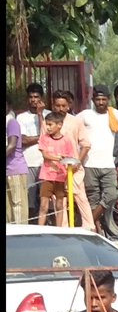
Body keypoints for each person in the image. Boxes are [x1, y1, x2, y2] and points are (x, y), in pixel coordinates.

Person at [78, 85, 118, 233]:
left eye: (104, 99)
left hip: (108, 164)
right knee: (93, 198)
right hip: (89, 164)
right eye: (98, 99)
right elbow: (71, 126)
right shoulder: (85, 115)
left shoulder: (114, 114)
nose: (101, 102)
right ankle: (96, 229)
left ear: (108, 99)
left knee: (111, 195)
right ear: (93, 100)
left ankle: (89, 224)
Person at [51, 90, 95, 232]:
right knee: (59, 199)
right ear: (53, 105)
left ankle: (89, 228)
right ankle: (63, 230)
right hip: (55, 168)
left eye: (64, 106)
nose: (61, 109)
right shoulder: (49, 121)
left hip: (74, 167)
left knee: (80, 197)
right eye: (58, 105)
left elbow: (86, 145)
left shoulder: (76, 122)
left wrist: (77, 162)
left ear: (69, 105)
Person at [18, 84, 49, 223]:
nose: (33, 100)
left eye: (36, 97)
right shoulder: (21, 117)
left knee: (46, 201)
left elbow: (50, 137)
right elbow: (23, 140)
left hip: (46, 163)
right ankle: (30, 226)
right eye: (30, 97)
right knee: (29, 201)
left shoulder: (48, 115)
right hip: (28, 162)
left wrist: (40, 114)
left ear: (41, 98)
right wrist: (42, 137)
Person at [36, 112, 74, 227]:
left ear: (59, 125)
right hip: (47, 176)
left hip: (60, 177)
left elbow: (70, 158)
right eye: (46, 124)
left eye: (50, 124)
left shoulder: (66, 141)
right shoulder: (44, 138)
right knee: (43, 205)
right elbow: (45, 155)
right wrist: (58, 158)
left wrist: (65, 160)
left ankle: (59, 229)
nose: (48, 127)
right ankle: (40, 229)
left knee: (59, 204)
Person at [7, 97, 29, 224]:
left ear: (9, 106)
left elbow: (11, 146)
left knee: (18, 205)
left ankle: (21, 232)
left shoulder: (11, 122)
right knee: (8, 208)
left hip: (14, 168)